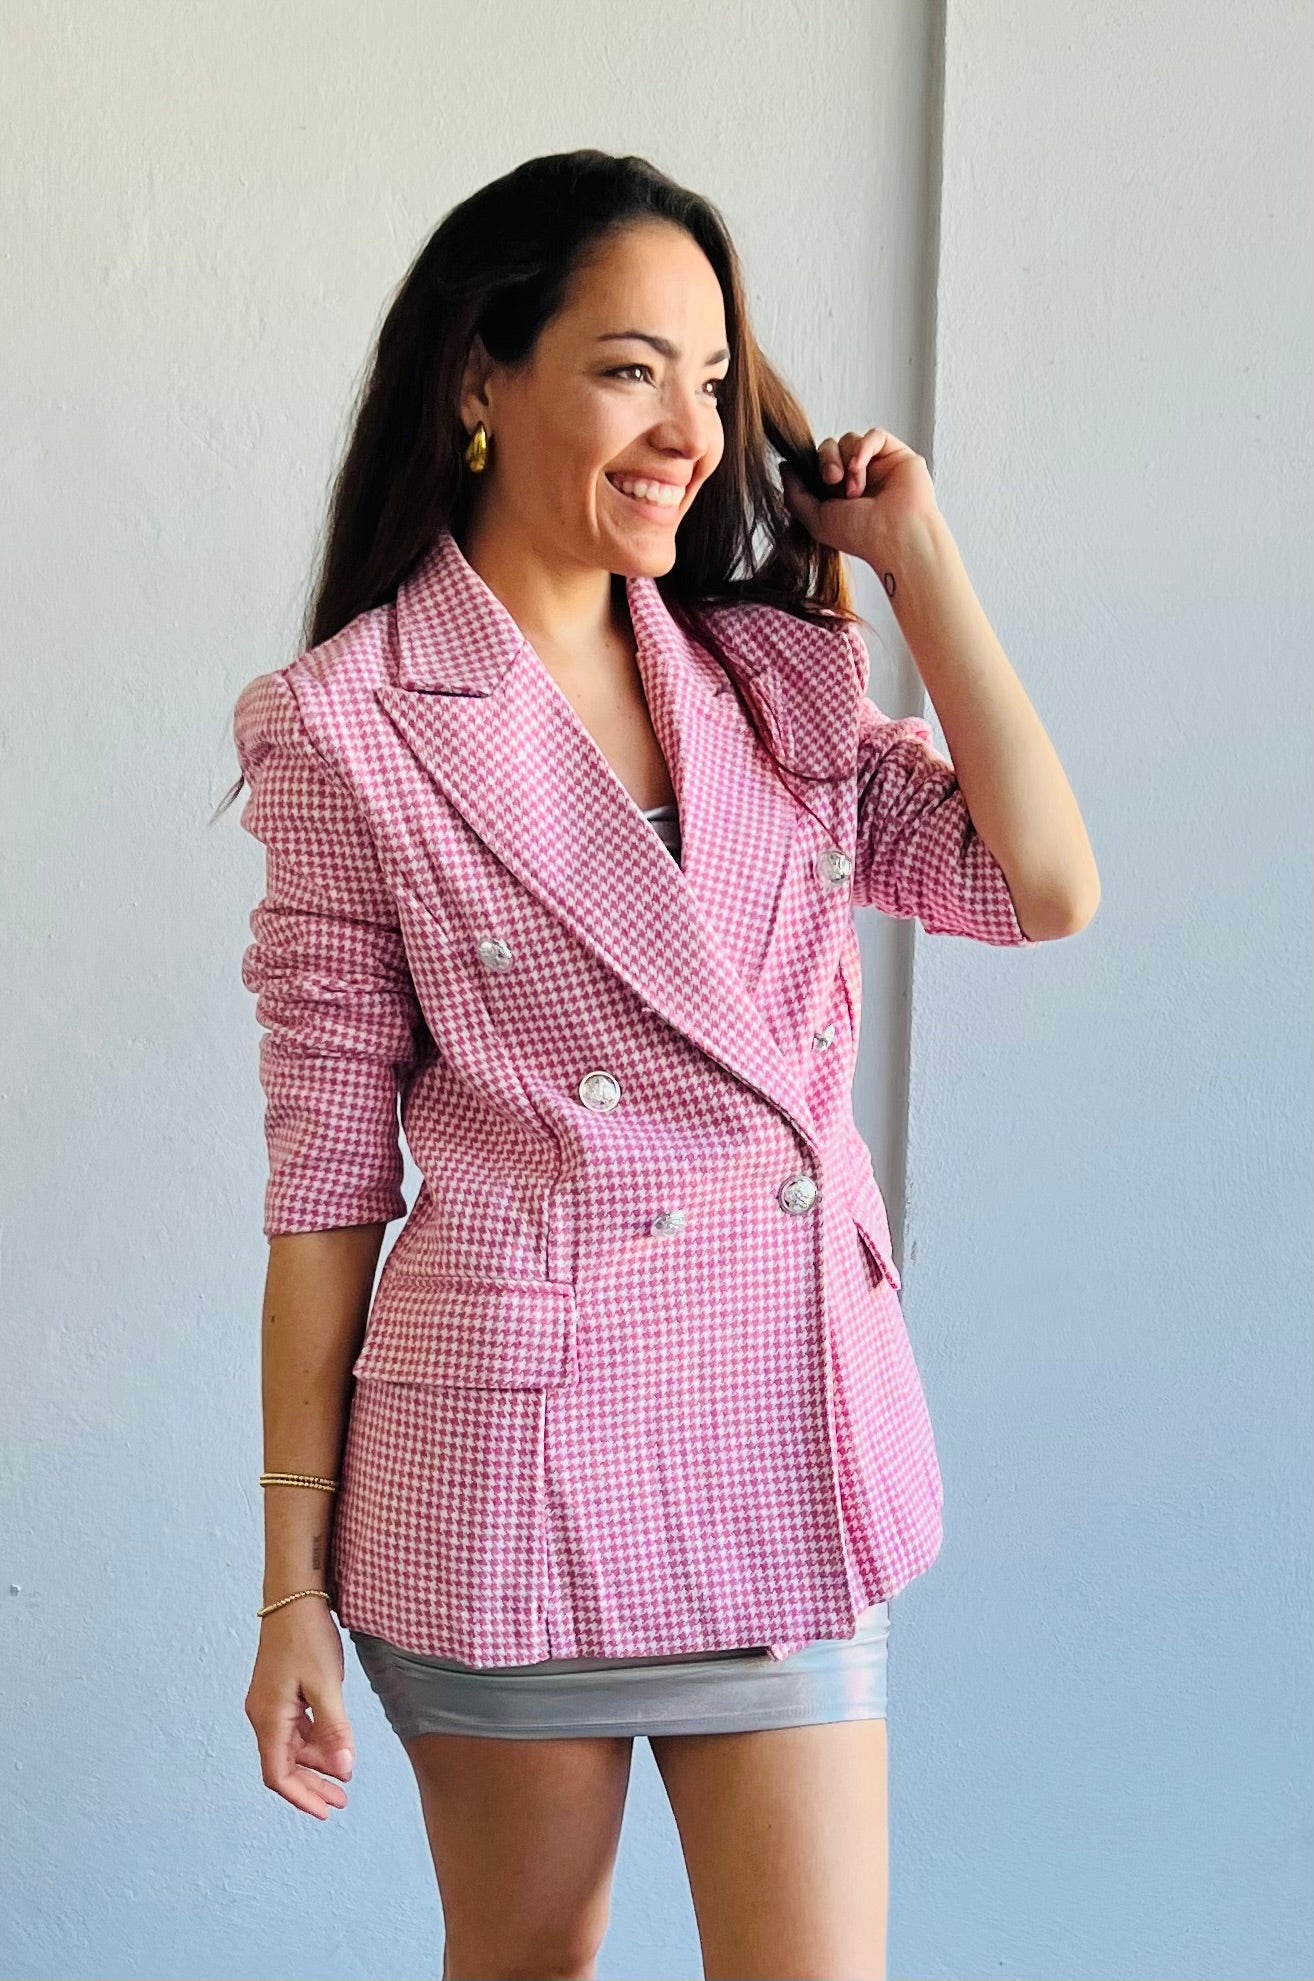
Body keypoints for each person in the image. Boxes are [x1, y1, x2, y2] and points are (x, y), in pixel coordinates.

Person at [220, 149, 1099, 1981]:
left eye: (710, 380)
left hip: (777, 1436)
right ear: (483, 374)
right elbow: (323, 1184)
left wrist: (917, 562)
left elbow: (1044, 885)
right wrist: (286, 1589)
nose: (686, 427)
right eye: (630, 367)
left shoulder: (765, 679)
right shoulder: (350, 724)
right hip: (508, 1469)